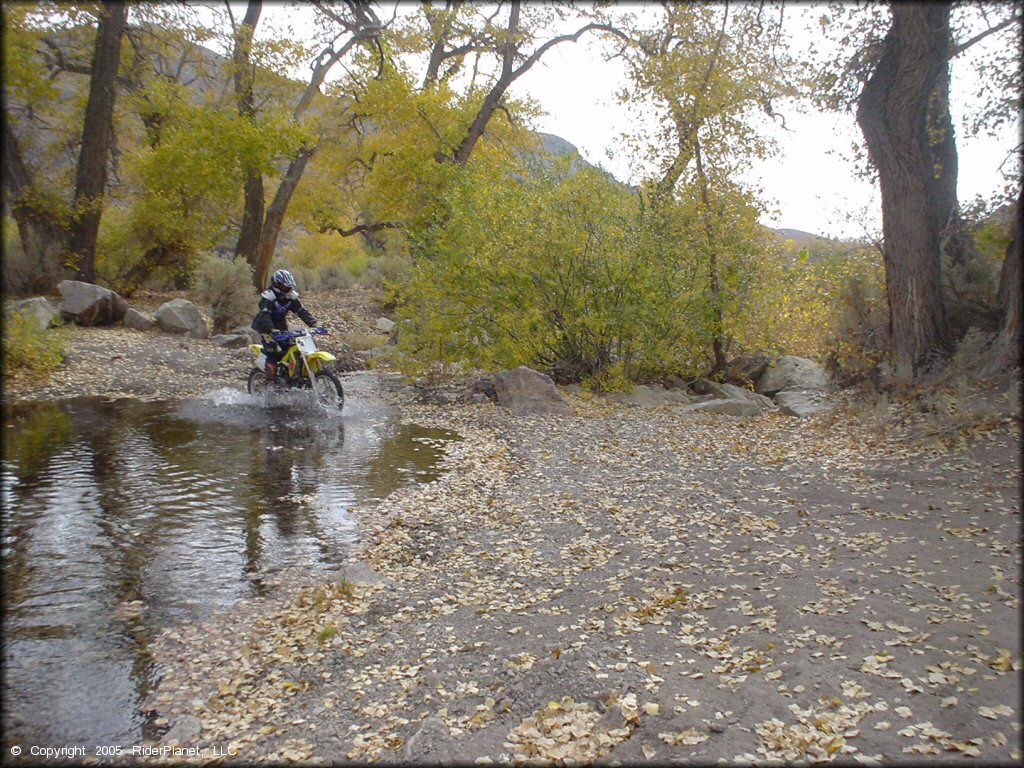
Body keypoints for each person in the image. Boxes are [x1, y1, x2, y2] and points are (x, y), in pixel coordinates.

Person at [251, 269, 320, 381]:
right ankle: (271, 380)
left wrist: (313, 324)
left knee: (292, 345)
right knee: (272, 350)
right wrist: (271, 329)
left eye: (288, 287)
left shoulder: (290, 297)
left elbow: (301, 311)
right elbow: (265, 315)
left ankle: (290, 372)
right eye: (284, 287)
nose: (287, 289)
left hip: (281, 325)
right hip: (265, 327)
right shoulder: (268, 297)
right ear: (276, 284)